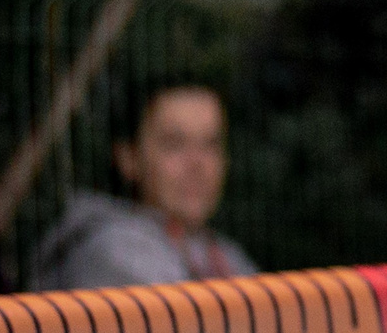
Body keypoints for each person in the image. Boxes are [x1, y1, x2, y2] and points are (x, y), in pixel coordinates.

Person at [31, 83, 257, 289]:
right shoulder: (112, 251)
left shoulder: (223, 253)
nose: (197, 164)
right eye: (174, 144)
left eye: (211, 144)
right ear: (128, 158)